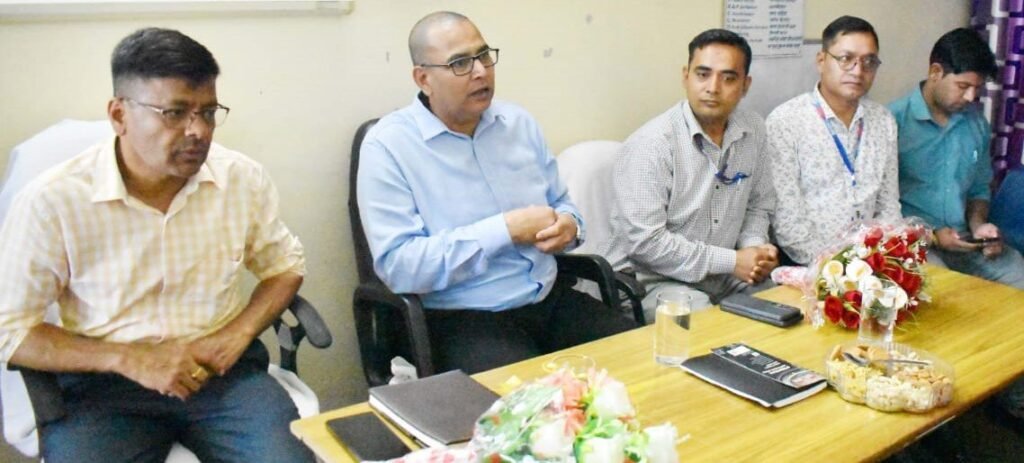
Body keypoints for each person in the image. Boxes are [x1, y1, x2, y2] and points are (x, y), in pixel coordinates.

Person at [0, 28, 312, 462]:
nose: (198, 130)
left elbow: (285, 266)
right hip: (105, 389)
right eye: (175, 113)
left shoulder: (241, 179)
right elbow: (11, 330)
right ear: (119, 115)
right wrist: (128, 359)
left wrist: (237, 334)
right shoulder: (53, 201)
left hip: (219, 376)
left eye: (208, 112)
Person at [357, 11, 635, 374]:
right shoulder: (388, 147)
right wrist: (504, 231)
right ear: (424, 79)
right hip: (463, 317)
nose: (480, 72)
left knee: (644, 363)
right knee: (532, 401)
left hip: (548, 298)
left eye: (484, 55)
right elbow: (399, 267)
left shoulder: (517, 124)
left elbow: (562, 204)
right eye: (460, 63)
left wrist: (570, 225)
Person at [600, 29, 777, 321]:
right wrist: (733, 261)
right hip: (651, 282)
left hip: (722, 277)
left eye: (728, 78)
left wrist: (754, 250)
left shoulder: (753, 130)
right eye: (703, 75)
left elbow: (758, 205)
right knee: (709, 327)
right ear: (686, 76)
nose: (713, 88)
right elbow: (646, 243)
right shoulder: (652, 144)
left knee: (784, 311)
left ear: (745, 85)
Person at [888, 27, 1024, 289]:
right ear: (935, 72)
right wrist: (933, 236)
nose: (971, 97)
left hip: (964, 239)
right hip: (915, 242)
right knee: (942, 289)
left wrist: (980, 227)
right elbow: (879, 206)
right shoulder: (892, 122)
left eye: (977, 88)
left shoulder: (976, 124)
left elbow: (979, 189)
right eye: (963, 86)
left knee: (1019, 275)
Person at [767, 16, 901, 265]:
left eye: (868, 62)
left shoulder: (883, 121)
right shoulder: (786, 121)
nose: (858, 71)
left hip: (872, 261)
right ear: (821, 61)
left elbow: (888, 205)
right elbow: (787, 221)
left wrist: (880, 258)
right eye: (846, 59)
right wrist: (838, 266)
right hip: (808, 263)